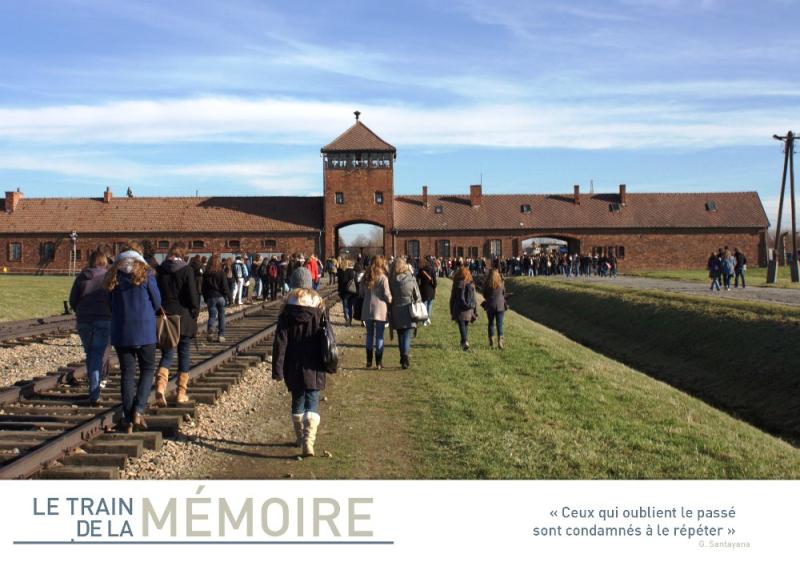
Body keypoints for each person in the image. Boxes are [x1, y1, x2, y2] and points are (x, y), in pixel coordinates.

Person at [104, 242, 161, 432]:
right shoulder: (147, 274)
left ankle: (128, 417)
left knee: (127, 374)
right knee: (147, 369)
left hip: (122, 332)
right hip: (145, 331)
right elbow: (157, 301)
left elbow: (110, 303)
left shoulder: (114, 274)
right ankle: (139, 410)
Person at [271, 267, 327, 457]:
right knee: (312, 398)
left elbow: (280, 342)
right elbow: (327, 338)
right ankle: (309, 442)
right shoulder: (319, 307)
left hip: (293, 362)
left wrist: (277, 369)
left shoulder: (286, 310)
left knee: (298, 400)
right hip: (315, 362)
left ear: (293, 284)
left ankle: (300, 438)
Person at [154, 242, 200, 406]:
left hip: (167, 316)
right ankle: (181, 393)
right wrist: (195, 312)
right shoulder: (187, 270)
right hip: (184, 316)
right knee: (184, 354)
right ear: (183, 254)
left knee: (167, 354)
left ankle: (160, 386)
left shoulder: (160, 270)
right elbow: (193, 296)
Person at [69, 250, 112, 405]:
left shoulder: (82, 277)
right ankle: (94, 390)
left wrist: (80, 310)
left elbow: (72, 299)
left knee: (90, 353)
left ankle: (94, 386)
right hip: (103, 318)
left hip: (84, 320)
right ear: (104, 261)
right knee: (98, 354)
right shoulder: (108, 277)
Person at [389, 257, 421, 369]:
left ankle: (402, 356)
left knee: (400, 334)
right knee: (407, 334)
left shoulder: (392, 280)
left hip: (396, 309)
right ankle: (405, 357)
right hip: (409, 309)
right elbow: (417, 295)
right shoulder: (411, 278)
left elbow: (390, 296)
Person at [360, 255, 392, 369]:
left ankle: (369, 361)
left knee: (369, 335)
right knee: (379, 336)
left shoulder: (366, 276)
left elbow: (361, 293)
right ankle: (378, 362)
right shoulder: (383, 278)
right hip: (380, 309)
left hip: (367, 309)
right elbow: (387, 296)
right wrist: (391, 300)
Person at [202, 254, 231, 343]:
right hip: (220, 297)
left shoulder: (206, 274)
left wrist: (206, 298)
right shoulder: (221, 273)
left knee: (212, 316)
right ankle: (221, 335)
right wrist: (230, 298)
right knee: (221, 316)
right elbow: (225, 287)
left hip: (211, 297)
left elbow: (203, 288)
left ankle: (210, 330)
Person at [450, 263, 478, 351]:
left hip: (459, 307)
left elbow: (453, 297)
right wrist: (474, 310)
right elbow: (474, 298)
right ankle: (463, 342)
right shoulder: (471, 283)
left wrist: (451, 310)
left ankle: (465, 341)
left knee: (462, 324)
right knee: (465, 324)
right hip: (469, 308)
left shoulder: (456, 283)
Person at [482, 269, 507, 349]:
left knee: (491, 323)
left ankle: (491, 340)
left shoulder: (487, 284)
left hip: (490, 305)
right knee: (499, 324)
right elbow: (504, 293)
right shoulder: (501, 284)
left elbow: (484, 295)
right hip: (500, 306)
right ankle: (500, 341)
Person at [417, 256, 437, 326]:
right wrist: (434, 286)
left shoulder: (421, 269)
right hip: (431, 288)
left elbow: (417, 278)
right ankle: (428, 318)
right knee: (430, 304)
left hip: (423, 288)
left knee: (424, 304)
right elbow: (434, 281)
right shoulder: (432, 269)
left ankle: (425, 319)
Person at [337, 259, 357, 326]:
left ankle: (347, 318)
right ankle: (350, 320)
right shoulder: (352, 271)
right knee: (350, 306)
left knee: (345, 307)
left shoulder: (342, 272)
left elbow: (340, 283)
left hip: (344, 292)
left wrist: (339, 291)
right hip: (352, 292)